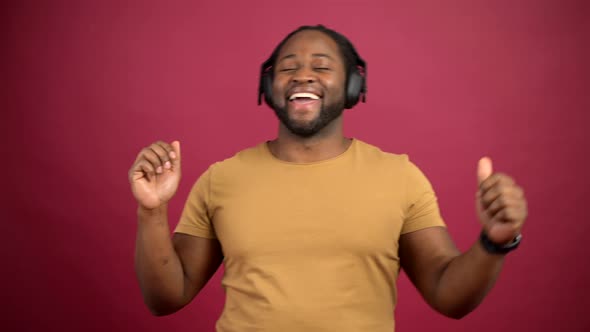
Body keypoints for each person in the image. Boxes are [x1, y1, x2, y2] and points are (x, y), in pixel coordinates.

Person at [129, 25, 528, 331]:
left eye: (321, 66)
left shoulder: (400, 177)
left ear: (354, 85)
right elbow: (167, 297)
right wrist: (152, 210)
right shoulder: (221, 179)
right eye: (288, 68)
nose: (303, 76)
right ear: (269, 86)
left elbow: (448, 295)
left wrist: (494, 242)